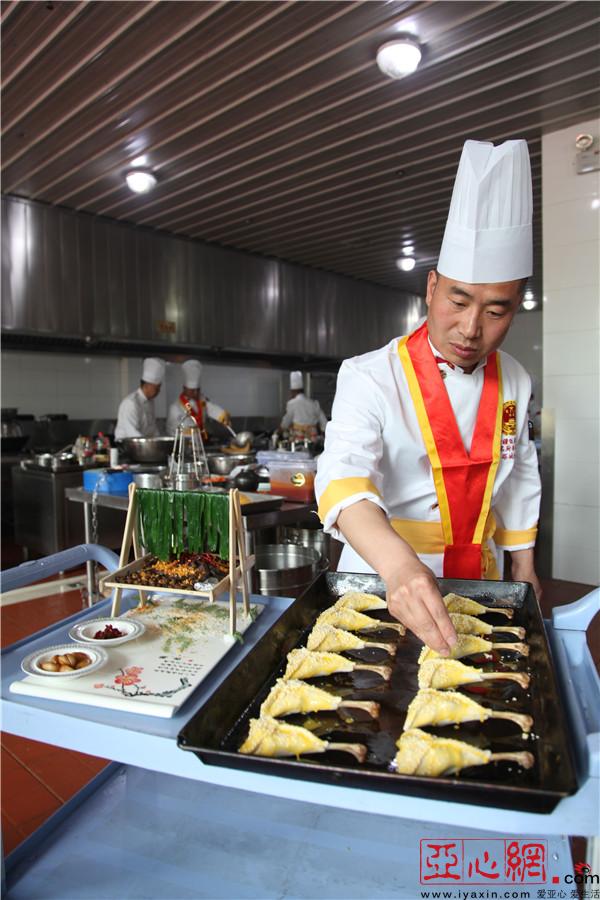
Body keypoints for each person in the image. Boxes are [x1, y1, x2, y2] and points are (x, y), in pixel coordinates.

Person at [315, 139, 542, 656]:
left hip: (482, 582)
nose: (470, 328)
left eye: (496, 311)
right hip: (380, 580)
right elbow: (342, 478)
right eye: (458, 301)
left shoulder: (515, 379)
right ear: (432, 286)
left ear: (515, 308)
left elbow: (519, 470)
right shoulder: (369, 375)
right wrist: (399, 567)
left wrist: (524, 565)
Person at [166, 359, 231, 437]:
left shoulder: (201, 400)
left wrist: (222, 416)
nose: (196, 393)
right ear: (184, 389)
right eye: (192, 391)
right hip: (182, 441)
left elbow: (211, 408)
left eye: (198, 390)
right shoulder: (175, 407)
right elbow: (181, 426)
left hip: (200, 439)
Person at [115, 357, 165, 440]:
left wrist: (159, 441)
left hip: (143, 444)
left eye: (159, 388)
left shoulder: (150, 402)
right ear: (146, 385)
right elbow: (132, 433)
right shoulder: (131, 403)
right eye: (156, 388)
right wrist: (148, 445)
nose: (158, 391)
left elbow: (152, 428)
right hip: (126, 445)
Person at [279, 371, 328, 442]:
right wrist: (324, 435)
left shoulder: (291, 403)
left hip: (298, 438)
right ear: (303, 390)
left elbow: (286, 422)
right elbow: (324, 422)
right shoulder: (314, 403)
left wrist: (279, 432)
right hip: (313, 438)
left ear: (293, 391)